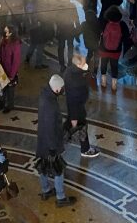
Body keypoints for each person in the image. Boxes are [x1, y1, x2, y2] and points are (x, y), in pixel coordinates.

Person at [35, 74, 75, 206]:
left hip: (43, 140)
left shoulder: (45, 94)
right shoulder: (51, 104)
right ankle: (60, 197)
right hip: (51, 143)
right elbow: (51, 126)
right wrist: (53, 148)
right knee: (58, 169)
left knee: (44, 166)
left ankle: (46, 190)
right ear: (57, 90)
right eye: (62, 88)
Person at [63, 53, 100, 158]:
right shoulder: (76, 80)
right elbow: (73, 100)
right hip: (77, 109)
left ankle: (58, 145)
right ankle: (85, 150)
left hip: (76, 107)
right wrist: (74, 117)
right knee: (81, 126)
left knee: (68, 126)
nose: (86, 64)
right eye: (84, 63)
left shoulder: (72, 72)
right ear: (78, 65)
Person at [98, 5, 129, 93]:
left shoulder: (104, 23)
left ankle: (103, 82)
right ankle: (114, 84)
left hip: (103, 49)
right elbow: (126, 36)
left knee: (103, 64)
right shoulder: (122, 24)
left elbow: (99, 32)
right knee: (114, 66)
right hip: (116, 51)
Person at [0, 25, 21, 113]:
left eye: (6, 31)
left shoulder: (15, 44)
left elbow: (16, 61)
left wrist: (12, 74)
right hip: (1, 70)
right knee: (1, 88)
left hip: (10, 71)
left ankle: (9, 105)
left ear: (11, 33)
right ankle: (1, 103)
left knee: (10, 90)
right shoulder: (3, 40)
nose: (4, 32)